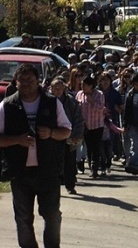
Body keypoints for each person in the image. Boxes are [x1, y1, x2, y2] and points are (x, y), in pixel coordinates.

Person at [0, 63, 72, 248]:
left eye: (30, 79)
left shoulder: (52, 102)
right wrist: (17, 140)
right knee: (23, 219)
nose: (26, 83)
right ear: (15, 83)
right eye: (21, 80)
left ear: (38, 81)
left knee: (52, 216)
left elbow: (67, 130)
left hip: (48, 171)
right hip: (20, 172)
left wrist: (51, 133)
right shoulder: (6, 106)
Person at [49, 77, 84, 196]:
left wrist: (76, 135)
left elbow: (78, 119)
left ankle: (70, 186)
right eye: (55, 88)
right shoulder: (47, 101)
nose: (57, 91)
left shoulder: (71, 101)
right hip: (52, 136)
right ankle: (54, 186)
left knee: (69, 162)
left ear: (64, 88)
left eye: (60, 88)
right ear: (51, 88)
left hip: (68, 136)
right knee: (53, 163)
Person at [75, 76, 105, 179]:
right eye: (81, 85)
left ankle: (95, 168)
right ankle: (91, 168)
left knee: (95, 147)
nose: (82, 86)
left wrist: (92, 101)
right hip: (85, 126)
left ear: (91, 86)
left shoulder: (99, 94)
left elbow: (101, 108)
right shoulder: (79, 94)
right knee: (88, 148)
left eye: (84, 85)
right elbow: (76, 109)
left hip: (97, 126)